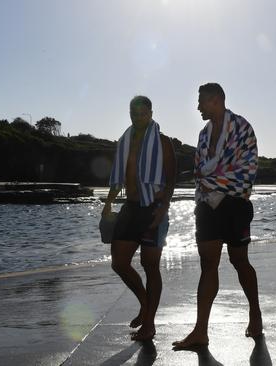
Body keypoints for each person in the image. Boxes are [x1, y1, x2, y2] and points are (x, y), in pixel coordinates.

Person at [173, 83, 262, 349]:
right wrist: (209, 184)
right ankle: (200, 331)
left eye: (201, 101)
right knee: (208, 265)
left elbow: (247, 172)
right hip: (206, 206)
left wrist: (212, 179)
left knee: (239, 260)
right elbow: (199, 170)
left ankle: (255, 312)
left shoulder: (243, 128)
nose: (198, 106)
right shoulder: (203, 133)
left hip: (235, 205)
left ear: (216, 100)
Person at [102, 95, 176, 341]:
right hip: (131, 207)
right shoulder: (125, 141)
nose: (138, 118)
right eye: (134, 113)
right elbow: (119, 175)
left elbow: (171, 179)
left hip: (152, 208)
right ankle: (145, 304)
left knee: (150, 265)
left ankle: (150, 323)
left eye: (143, 113)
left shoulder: (162, 142)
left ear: (151, 113)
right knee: (119, 263)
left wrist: (163, 209)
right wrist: (109, 203)